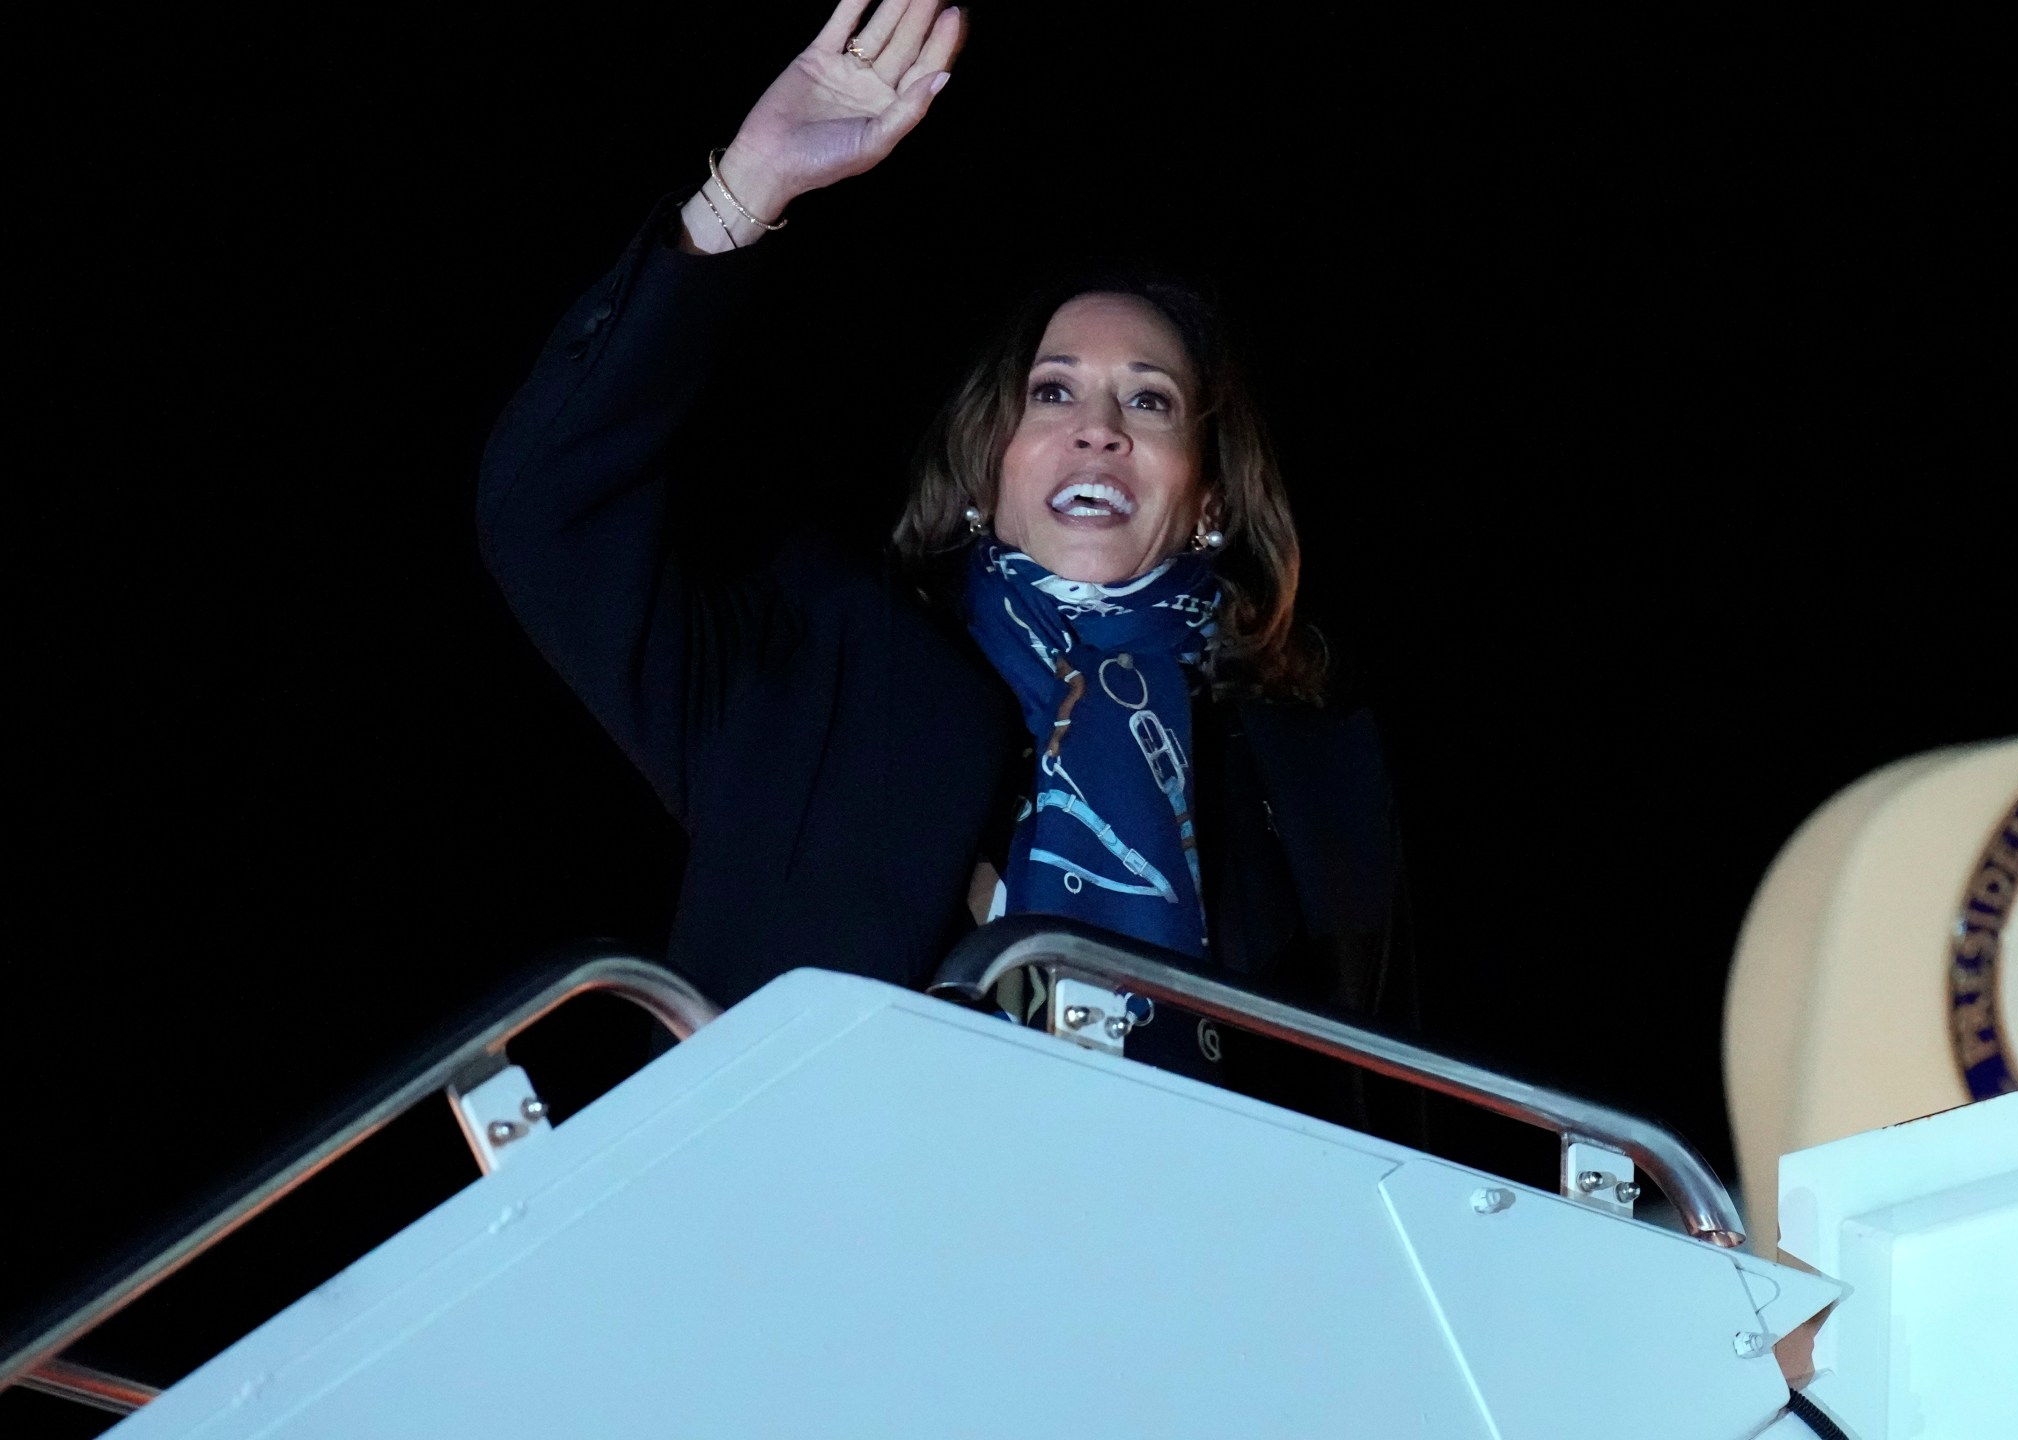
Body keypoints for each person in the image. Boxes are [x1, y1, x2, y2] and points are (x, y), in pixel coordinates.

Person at [480, 0, 1412, 1105]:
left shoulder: (1298, 776)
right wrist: (751, 186)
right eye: (1052, 390)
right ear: (989, 470)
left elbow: (1375, 1106)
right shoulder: (815, 674)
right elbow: (549, 506)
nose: (1097, 425)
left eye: (1149, 401)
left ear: (1208, 498)